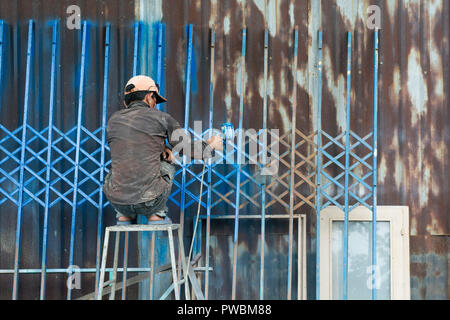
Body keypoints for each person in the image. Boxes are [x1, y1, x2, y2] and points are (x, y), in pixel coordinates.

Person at [103, 75, 222, 225]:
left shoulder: (113, 120)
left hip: (117, 200)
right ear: (148, 97)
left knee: (122, 164)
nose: (155, 105)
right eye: (154, 100)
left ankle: (124, 216)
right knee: (168, 161)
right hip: (150, 199)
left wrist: (160, 146)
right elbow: (189, 149)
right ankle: (156, 214)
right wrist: (210, 144)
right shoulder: (161, 118)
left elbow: (131, 146)